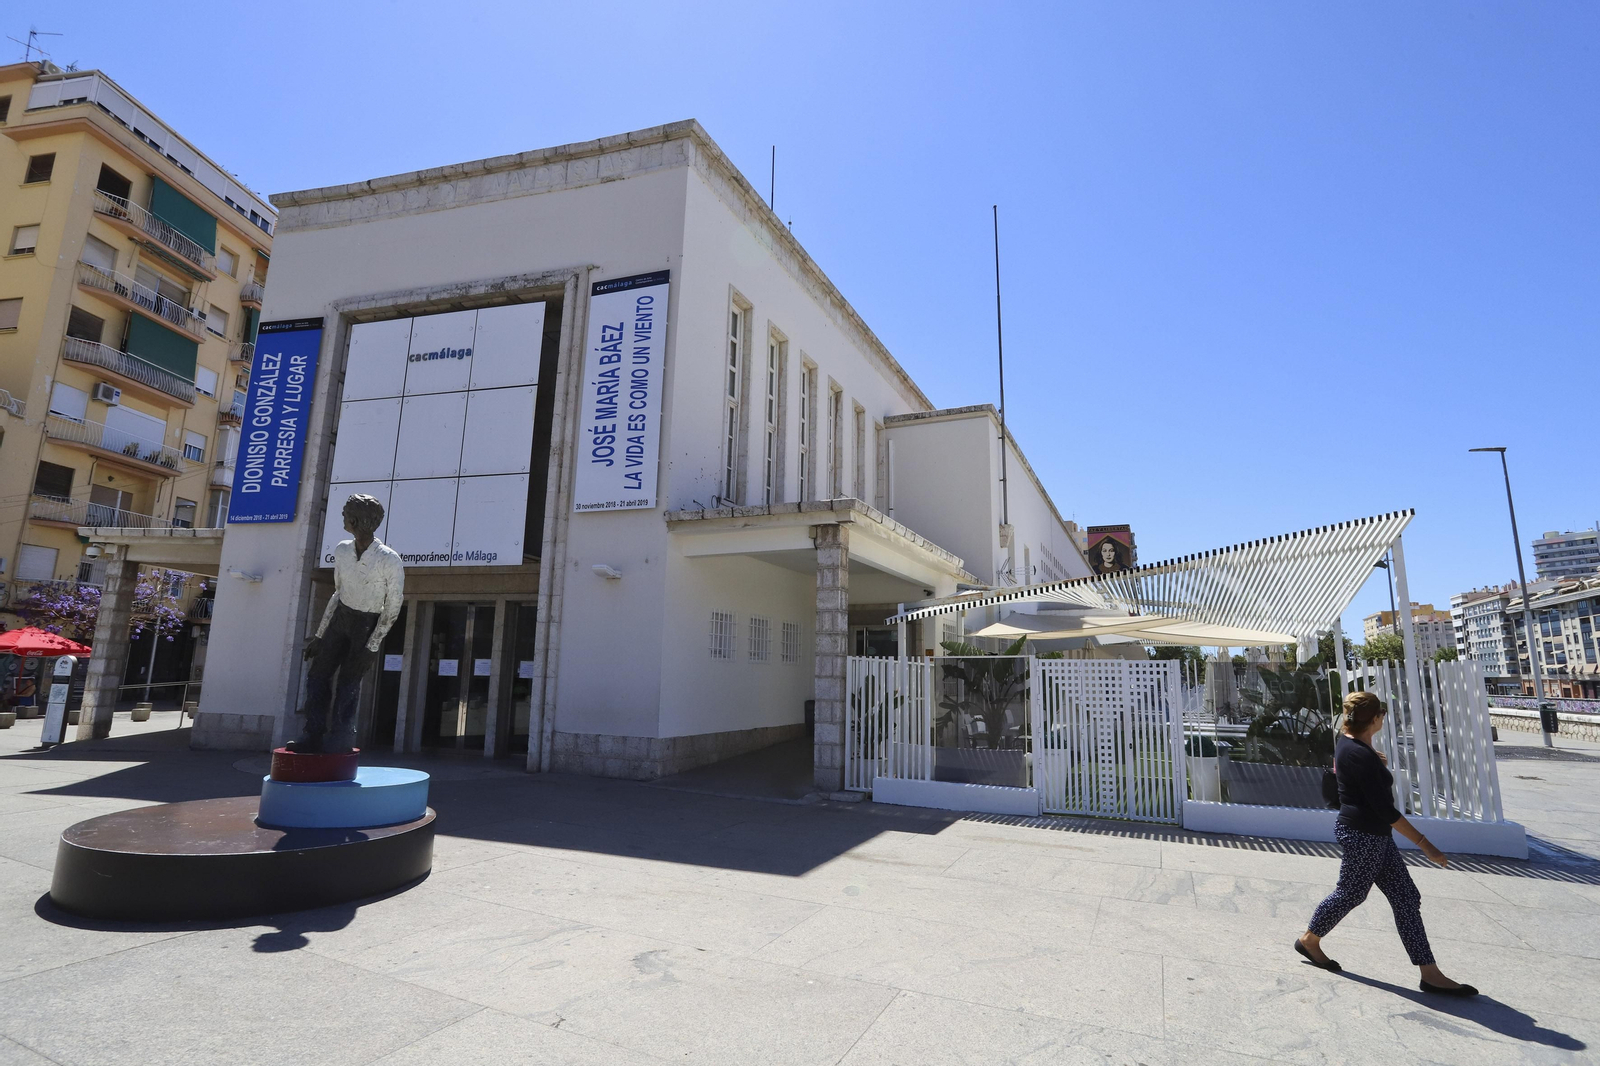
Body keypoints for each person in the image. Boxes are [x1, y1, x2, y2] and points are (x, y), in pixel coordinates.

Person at [1295, 691, 1477, 996]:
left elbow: (1356, 767)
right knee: (1350, 894)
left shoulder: (1350, 743)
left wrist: (1373, 758)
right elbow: (1387, 812)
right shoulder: (1359, 754)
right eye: (1381, 714)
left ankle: (1430, 973)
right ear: (1375, 719)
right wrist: (1425, 844)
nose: (1383, 718)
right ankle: (1309, 940)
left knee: (1406, 897)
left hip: (1374, 835)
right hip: (1363, 835)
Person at [289, 494, 404, 754]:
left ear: (355, 520)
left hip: (367, 623)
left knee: (348, 682)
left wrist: (373, 645)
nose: (343, 517)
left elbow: (393, 606)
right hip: (341, 618)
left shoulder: (389, 559)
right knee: (317, 675)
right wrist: (320, 635)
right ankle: (313, 733)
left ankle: (341, 736)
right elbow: (337, 593)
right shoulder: (342, 550)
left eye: (345, 513)